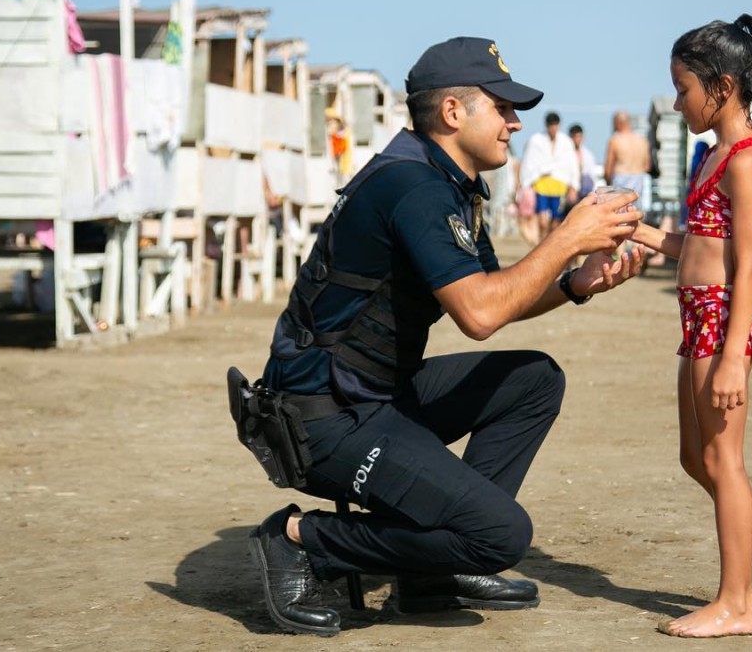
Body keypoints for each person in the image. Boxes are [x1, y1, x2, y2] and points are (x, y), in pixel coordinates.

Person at [245, 36, 645, 637]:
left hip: (375, 397)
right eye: (503, 108)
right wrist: (566, 237)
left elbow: (493, 292)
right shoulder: (414, 188)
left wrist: (576, 282)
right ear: (454, 113)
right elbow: (479, 316)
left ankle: (432, 567)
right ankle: (301, 541)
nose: (515, 123)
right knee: (502, 534)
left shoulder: (445, 182)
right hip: (323, 419)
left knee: (533, 381)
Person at [630, 15, 752, 638]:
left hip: (723, 319)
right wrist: (641, 234)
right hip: (698, 314)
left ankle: (736, 602)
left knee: (722, 457)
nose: (678, 103)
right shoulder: (715, 156)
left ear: (723, 86)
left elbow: (749, 267)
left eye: (683, 89)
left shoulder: (747, 160)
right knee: (695, 457)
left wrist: (734, 355)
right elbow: (703, 245)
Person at [520, 111, 580, 239]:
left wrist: (574, 186)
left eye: (555, 125)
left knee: (555, 222)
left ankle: (549, 246)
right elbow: (528, 162)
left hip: (560, 186)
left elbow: (572, 164)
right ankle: (541, 245)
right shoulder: (535, 140)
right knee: (542, 220)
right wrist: (525, 184)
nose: (553, 128)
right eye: (551, 125)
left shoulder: (566, 142)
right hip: (541, 184)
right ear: (546, 125)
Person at [603, 110, 651, 197]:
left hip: (620, 178)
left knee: (619, 209)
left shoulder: (615, 140)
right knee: (635, 209)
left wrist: (607, 182)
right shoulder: (642, 140)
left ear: (617, 123)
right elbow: (647, 166)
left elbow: (608, 168)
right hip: (638, 179)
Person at [568, 123, 598, 199]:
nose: (577, 139)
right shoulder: (566, 154)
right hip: (570, 190)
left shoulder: (588, 155)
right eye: (575, 137)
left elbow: (592, 175)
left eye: (579, 136)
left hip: (585, 190)